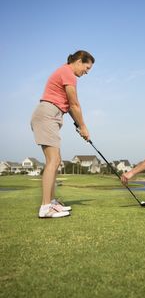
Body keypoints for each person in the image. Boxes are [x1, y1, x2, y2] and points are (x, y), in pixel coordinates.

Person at [31, 50, 95, 218]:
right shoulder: (68, 72)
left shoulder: (65, 72)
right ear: (79, 61)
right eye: (87, 68)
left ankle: (51, 202)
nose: (86, 72)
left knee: (56, 160)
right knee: (52, 160)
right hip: (47, 115)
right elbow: (74, 104)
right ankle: (45, 207)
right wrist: (83, 126)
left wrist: (80, 126)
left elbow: (70, 107)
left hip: (52, 115)